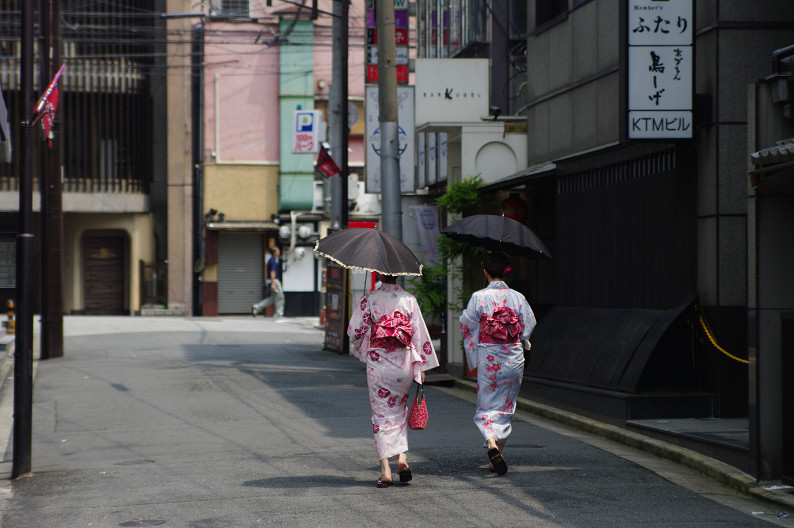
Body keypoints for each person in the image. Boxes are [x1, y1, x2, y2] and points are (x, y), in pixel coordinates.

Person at [347, 272, 439, 488]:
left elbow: (354, 331)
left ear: (379, 274)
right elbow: (418, 335)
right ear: (399, 274)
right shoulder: (409, 299)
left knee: (381, 413)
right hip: (403, 363)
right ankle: (402, 459)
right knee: (398, 410)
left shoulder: (370, 299)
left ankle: (386, 471)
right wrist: (421, 366)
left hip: (379, 363)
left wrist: (365, 336)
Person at [459, 252, 536, 476]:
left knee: (486, 404)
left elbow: (466, 325)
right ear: (506, 271)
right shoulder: (518, 297)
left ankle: (492, 444)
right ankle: (496, 457)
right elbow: (528, 325)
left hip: (489, 356)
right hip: (512, 356)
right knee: (506, 406)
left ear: (485, 271)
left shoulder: (478, 297)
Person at [252, 247, 284, 318]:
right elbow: (272, 272)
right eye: (278, 250)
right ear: (275, 252)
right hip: (274, 280)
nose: (279, 251)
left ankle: (257, 307)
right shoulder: (273, 261)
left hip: (270, 280)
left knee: (272, 298)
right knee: (280, 297)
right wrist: (273, 283)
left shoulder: (270, 260)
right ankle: (279, 313)